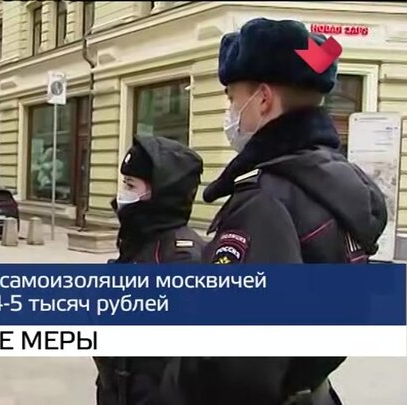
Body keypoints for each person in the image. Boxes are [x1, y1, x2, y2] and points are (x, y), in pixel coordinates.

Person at [192, 17, 388, 405]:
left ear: (263, 99)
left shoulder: (265, 199)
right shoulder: (334, 183)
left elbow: (234, 362)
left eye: (232, 98)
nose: (230, 112)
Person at [94, 135, 205, 405]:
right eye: (124, 184)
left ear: (160, 193)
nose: (122, 194)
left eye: (130, 185)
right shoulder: (139, 241)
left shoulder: (182, 260)